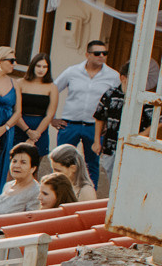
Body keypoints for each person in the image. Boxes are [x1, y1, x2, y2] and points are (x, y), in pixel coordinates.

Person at [51, 40, 122, 193]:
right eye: (97, 53)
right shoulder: (72, 71)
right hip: (70, 124)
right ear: (87, 54)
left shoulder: (113, 76)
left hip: (94, 127)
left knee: (92, 164)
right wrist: (52, 117)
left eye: (105, 53)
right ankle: (56, 191)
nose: (101, 56)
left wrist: (109, 126)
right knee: (61, 160)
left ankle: (88, 197)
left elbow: (118, 100)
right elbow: (53, 90)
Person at [15, 53, 57, 161]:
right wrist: (28, 131)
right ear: (32, 66)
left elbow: (50, 114)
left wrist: (35, 136)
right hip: (20, 126)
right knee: (15, 163)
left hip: (40, 128)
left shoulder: (52, 87)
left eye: (45, 67)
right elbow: (15, 111)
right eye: (38, 66)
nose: (41, 69)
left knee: (34, 166)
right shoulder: (20, 83)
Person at [0, 144, 44, 216]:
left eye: (23, 162)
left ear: (33, 168)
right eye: (14, 161)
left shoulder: (36, 192)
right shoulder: (8, 185)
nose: (16, 165)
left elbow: (31, 222)